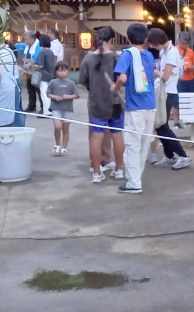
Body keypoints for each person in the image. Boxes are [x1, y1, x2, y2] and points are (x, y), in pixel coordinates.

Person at [113, 23, 156, 194]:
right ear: (146, 39)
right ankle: (136, 178)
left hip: (135, 106)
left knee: (132, 144)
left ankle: (134, 182)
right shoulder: (149, 56)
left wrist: (115, 87)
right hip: (150, 104)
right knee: (144, 144)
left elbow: (122, 77)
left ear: (128, 39)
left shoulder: (127, 55)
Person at [80, 26, 124, 184]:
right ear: (112, 39)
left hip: (96, 103)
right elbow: (123, 79)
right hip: (115, 103)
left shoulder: (88, 58)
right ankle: (118, 170)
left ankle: (97, 173)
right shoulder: (117, 58)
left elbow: (84, 81)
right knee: (117, 137)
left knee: (96, 138)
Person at [147, 28, 193, 170]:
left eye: (152, 44)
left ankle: (183, 155)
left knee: (162, 126)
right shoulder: (165, 52)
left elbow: (166, 76)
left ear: (157, 42)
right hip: (163, 91)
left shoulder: (172, 52)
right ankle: (169, 155)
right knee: (160, 126)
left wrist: (155, 71)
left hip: (168, 92)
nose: (152, 47)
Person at [46, 61, 78, 155]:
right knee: (57, 127)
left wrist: (67, 97)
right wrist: (55, 97)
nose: (61, 73)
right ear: (56, 72)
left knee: (65, 129)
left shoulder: (71, 83)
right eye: (59, 71)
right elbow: (48, 94)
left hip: (68, 109)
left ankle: (64, 147)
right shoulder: (53, 82)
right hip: (56, 108)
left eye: (63, 71)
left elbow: (76, 95)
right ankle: (57, 144)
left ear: (68, 71)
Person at [34, 34, 56, 116]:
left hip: (44, 75)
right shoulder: (50, 51)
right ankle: (50, 110)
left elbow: (40, 65)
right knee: (50, 94)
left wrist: (32, 65)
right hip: (51, 74)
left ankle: (46, 112)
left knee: (44, 94)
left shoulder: (42, 52)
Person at [21, 30, 42, 114]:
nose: (25, 41)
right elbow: (18, 46)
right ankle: (31, 105)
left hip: (36, 70)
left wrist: (29, 64)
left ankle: (43, 106)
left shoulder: (38, 45)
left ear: (32, 39)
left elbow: (36, 57)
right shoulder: (27, 46)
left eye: (27, 39)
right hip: (28, 71)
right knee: (30, 88)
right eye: (25, 39)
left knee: (38, 89)